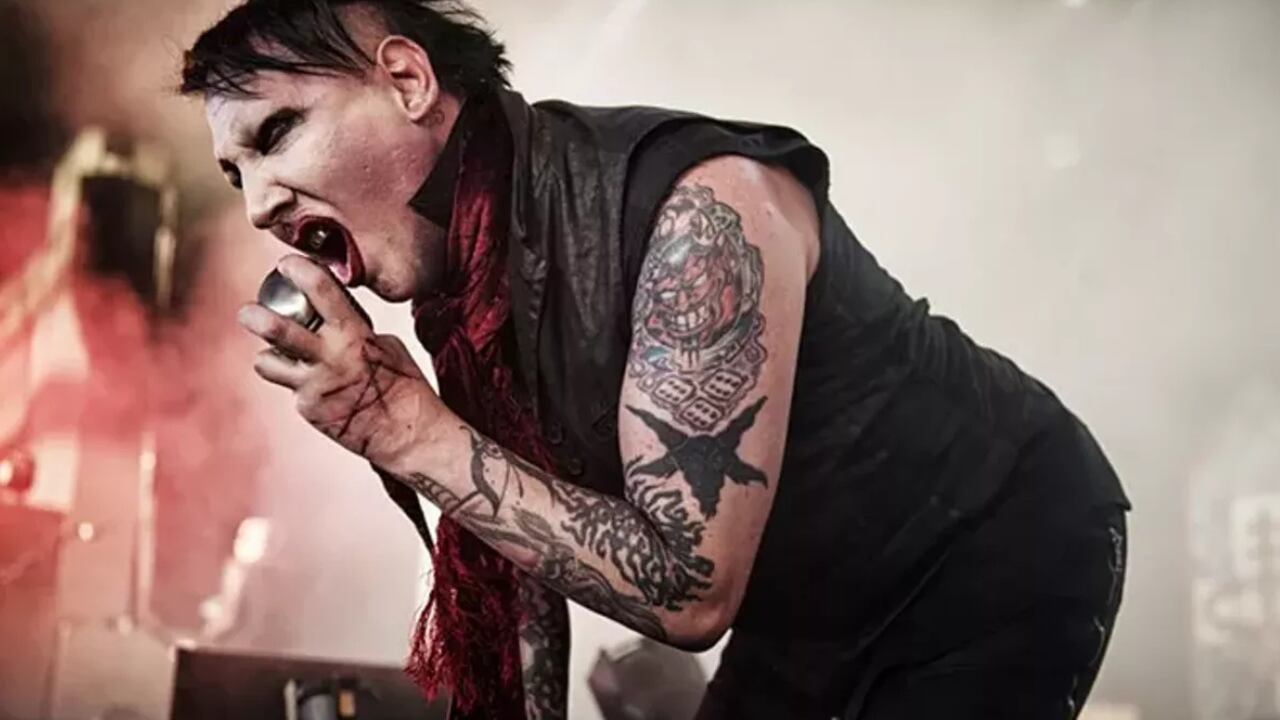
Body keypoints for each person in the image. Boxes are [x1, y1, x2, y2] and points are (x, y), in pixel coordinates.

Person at [180, 1, 1131, 718]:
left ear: (406, 80)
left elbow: (690, 589)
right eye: (236, 173)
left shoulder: (698, 211)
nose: (259, 205)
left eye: (277, 132)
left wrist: (401, 427)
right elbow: (519, 540)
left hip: (986, 547)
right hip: (804, 607)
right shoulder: (466, 286)